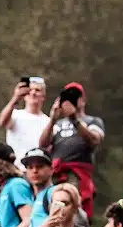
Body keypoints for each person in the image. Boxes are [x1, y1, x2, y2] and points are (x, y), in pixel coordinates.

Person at [37, 83, 104, 217]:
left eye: (75, 96)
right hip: (55, 173)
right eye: (67, 97)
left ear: (83, 100)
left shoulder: (92, 121)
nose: (72, 100)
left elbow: (94, 140)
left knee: (74, 211)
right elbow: (43, 144)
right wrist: (52, 119)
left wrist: (75, 119)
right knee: (52, 210)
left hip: (77, 174)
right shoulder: (58, 124)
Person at [0, 77, 50, 168]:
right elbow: (2, 122)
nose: (33, 93)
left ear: (43, 96)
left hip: (36, 170)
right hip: (15, 168)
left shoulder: (48, 121)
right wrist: (16, 97)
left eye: (37, 90)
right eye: (30, 90)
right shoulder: (15, 115)